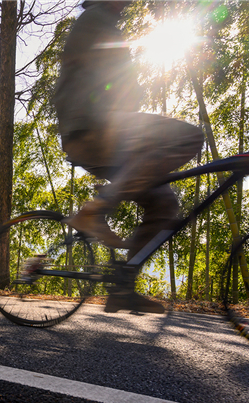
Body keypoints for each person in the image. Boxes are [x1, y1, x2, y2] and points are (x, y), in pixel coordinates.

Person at [53, 1, 203, 313]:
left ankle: (123, 286)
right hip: (94, 127)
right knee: (190, 136)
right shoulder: (96, 18)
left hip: (97, 135)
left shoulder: (101, 20)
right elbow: (122, 78)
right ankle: (96, 209)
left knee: (163, 202)